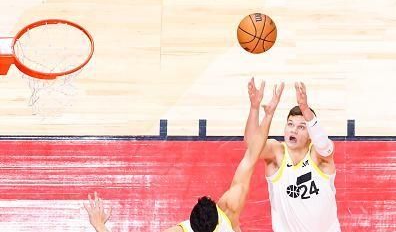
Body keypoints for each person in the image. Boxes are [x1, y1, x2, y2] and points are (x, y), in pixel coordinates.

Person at [84, 81, 284, 232]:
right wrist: (263, 112)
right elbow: (251, 155)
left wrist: (99, 224)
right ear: (218, 213)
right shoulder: (229, 210)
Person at [244, 79, 341, 232]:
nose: (293, 130)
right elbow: (252, 147)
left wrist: (305, 109)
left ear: (310, 135)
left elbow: (325, 147)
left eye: (301, 127)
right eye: (290, 124)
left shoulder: (318, 156)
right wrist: (255, 108)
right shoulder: (277, 154)